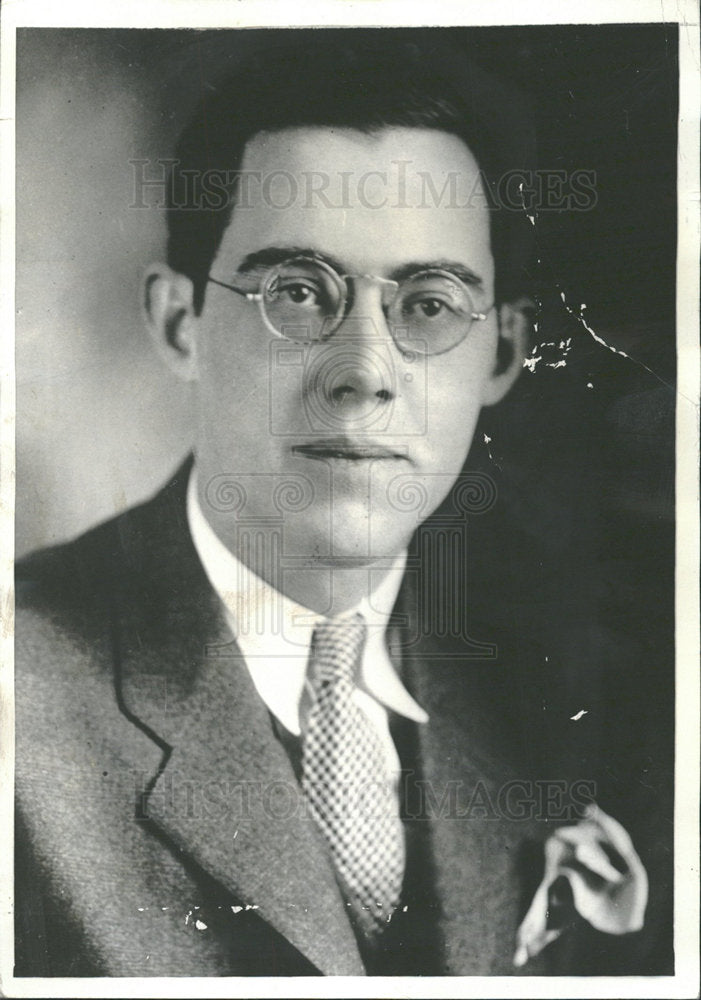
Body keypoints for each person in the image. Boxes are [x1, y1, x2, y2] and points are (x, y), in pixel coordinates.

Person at [14, 36, 671, 978]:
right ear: (179, 323)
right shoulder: (22, 695)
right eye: (296, 293)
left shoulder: (594, 690)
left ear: (500, 353)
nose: (363, 373)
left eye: (429, 305)